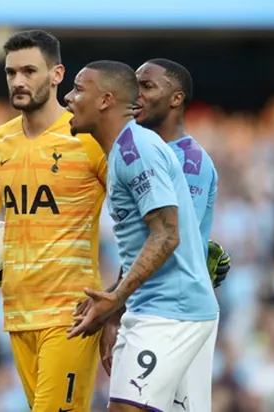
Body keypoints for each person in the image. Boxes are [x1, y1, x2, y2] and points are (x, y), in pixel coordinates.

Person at [0, 30, 107, 411]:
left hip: (72, 313)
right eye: (11, 73)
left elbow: (136, 208)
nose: (18, 81)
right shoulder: (1, 141)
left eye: (29, 70)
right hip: (18, 313)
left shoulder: (88, 138)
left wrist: (120, 297)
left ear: (58, 74)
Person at [64, 61, 219, 412]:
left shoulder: (139, 150)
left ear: (105, 100)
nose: (69, 98)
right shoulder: (127, 149)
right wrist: (116, 305)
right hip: (156, 306)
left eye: (77, 89)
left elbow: (167, 236)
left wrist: (113, 301)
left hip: (170, 311)